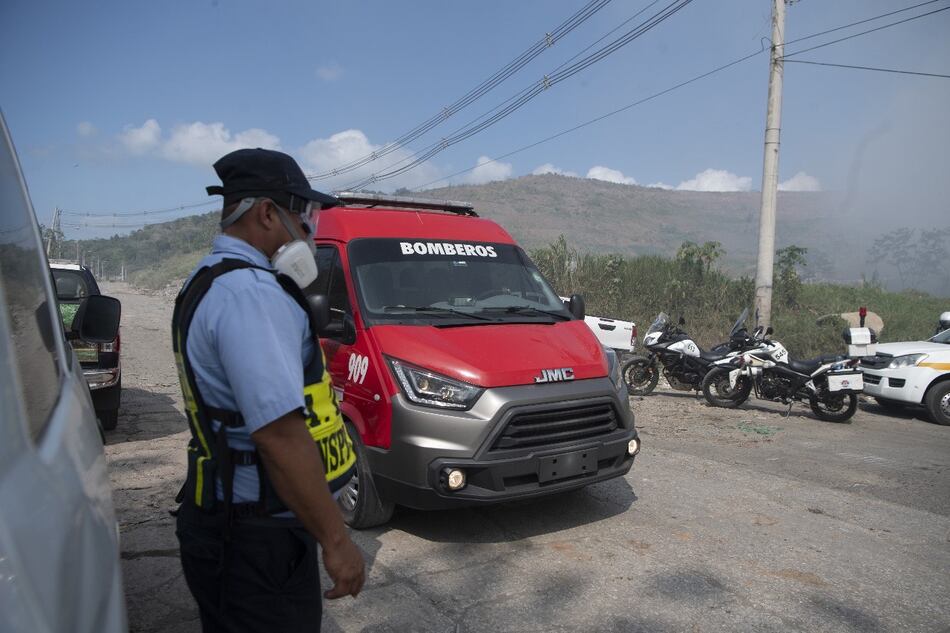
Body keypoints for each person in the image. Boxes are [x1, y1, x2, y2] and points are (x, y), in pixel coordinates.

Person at [172, 148, 364, 633]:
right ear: (265, 213)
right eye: (303, 214)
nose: (308, 229)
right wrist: (337, 541)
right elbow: (279, 435)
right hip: (255, 539)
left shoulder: (211, 279)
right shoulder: (251, 295)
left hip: (235, 526)